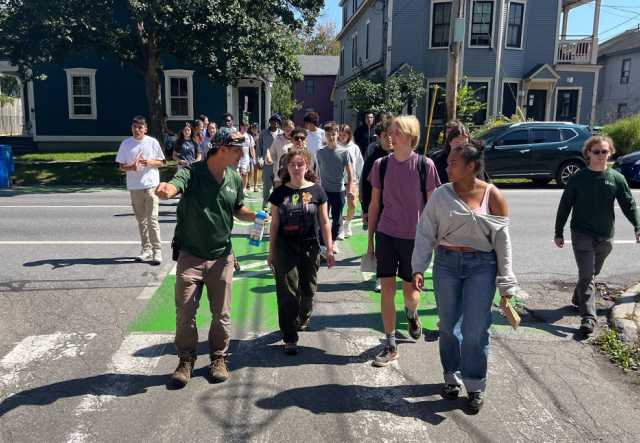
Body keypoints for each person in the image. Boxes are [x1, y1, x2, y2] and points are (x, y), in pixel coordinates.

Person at [411, 141, 520, 414]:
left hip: (481, 266)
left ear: (472, 167)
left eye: (453, 164)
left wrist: (506, 283)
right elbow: (425, 232)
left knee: (475, 328)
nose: (447, 167)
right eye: (447, 163)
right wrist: (418, 267)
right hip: (446, 264)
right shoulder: (440, 195)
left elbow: (503, 243)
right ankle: (451, 377)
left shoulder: (493, 196)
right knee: (448, 325)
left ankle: (475, 385)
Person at [155, 132, 259, 388]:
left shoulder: (234, 177)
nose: (241, 154)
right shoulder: (193, 172)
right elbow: (175, 184)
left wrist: (255, 216)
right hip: (190, 255)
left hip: (221, 255)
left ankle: (218, 358)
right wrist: (166, 189)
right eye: (237, 149)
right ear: (222, 148)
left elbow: (237, 209)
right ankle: (186, 360)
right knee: (185, 313)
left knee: (221, 314)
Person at [367, 115, 440, 367]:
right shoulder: (381, 165)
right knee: (386, 290)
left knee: (411, 295)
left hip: (415, 239)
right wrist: (370, 242)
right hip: (386, 234)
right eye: (390, 131)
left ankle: (411, 313)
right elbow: (375, 204)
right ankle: (390, 344)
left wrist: (433, 238)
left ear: (410, 136)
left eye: (396, 131)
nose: (391, 135)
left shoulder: (425, 165)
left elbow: (432, 207)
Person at [555, 135, 640, 335]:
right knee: (586, 274)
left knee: (592, 272)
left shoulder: (616, 178)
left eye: (605, 151)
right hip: (581, 233)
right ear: (588, 154)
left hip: (605, 235)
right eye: (597, 152)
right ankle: (588, 318)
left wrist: (637, 226)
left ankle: (579, 297)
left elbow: (629, 204)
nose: (601, 155)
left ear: (610, 153)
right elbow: (565, 205)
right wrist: (558, 231)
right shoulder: (578, 178)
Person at [268, 149, 335, 354]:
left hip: (310, 246)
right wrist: (271, 253)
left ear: (307, 166)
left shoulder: (317, 191)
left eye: (300, 164)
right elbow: (274, 224)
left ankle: (303, 315)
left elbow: (324, 221)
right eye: (292, 165)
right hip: (285, 247)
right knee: (287, 293)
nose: (296, 168)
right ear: (286, 168)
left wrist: (329, 249)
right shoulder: (279, 193)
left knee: (308, 290)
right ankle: (289, 336)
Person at [115, 115, 166, 265]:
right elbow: (120, 166)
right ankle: (146, 249)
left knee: (152, 220)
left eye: (140, 127)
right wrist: (131, 167)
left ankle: (157, 251)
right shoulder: (126, 144)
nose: (137, 130)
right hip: (134, 187)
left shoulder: (152, 142)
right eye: (134, 127)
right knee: (141, 221)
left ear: (145, 129)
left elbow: (162, 162)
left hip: (151, 186)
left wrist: (149, 162)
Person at [316, 121, 355, 256]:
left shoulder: (344, 152)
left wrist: (350, 190)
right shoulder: (320, 153)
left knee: (337, 218)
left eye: (333, 134)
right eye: (328, 135)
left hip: (339, 191)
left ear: (337, 134)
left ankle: (332, 243)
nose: (331, 137)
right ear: (325, 136)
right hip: (324, 191)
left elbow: (350, 174)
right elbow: (317, 173)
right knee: (323, 218)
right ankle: (322, 245)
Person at [360, 118, 393, 232]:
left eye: (391, 134)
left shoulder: (401, 156)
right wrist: (365, 210)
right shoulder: (373, 158)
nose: (389, 138)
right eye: (385, 135)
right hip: (379, 208)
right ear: (379, 138)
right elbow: (365, 185)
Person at [337, 124, 364, 239]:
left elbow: (359, 164)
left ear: (349, 135)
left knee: (352, 205)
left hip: (352, 181)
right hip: (338, 181)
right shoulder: (335, 146)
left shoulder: (354, 148)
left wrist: (360, 181)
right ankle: (340, 228)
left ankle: (347, 224)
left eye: (345, 135)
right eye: (341, 135)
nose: (342, 137)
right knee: (338, 206)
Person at [257, 114, 283, 208]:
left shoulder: (282, 134)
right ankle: (265, 207)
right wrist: (259, 159)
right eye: (273, 121)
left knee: (278, 188)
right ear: (270, 122)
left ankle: (276, 208)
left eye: (277, 121)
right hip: (267, 165)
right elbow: (259, 148)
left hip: (279, 166)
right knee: (266, 187)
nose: (275, 123)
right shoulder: (263, 133)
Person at [269, 119, 295, 187]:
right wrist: (269, 159)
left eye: (291, 130)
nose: (290, 132)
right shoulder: (278, 140)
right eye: (287, 131)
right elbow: (271, 155)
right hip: (280, 176)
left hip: (295, 175)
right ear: (283, 130)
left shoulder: (298, 139)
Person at [238, 122, 254, 190]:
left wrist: (254, 158)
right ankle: (238, 189)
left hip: (246, 156)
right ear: (240, 126)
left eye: (246, 126)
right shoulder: (236, 135)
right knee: (237, 173)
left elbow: (252, 148)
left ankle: (244, 189)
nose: (245, 128)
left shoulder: (249, 136)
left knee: (245, 173)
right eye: (244, 126)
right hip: (237, 157)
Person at [249, 123, 260, 192]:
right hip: (249, 155)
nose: (254, 129)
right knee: (249, 171)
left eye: (256, 128)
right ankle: (247, 183)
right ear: (251, 129)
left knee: (256, 170)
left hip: (257, 156)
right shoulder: (248, 136)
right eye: (253, 128)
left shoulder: (260, 136)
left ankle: (255, 185)